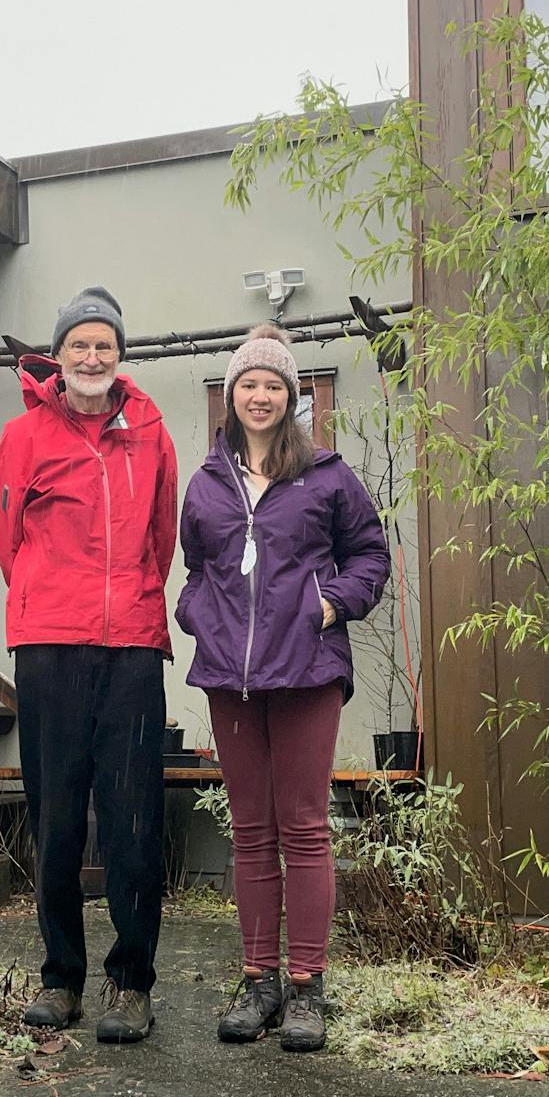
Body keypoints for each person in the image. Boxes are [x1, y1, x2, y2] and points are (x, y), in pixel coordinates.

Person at [176, 325, 389, 1052]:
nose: (260, 395)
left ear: (291, 397)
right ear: (231, 397)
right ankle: (259, 980)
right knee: (252, 832)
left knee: (303, 828)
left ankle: (306, 987)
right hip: (230, 681)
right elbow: (195, 567)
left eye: (273, 385)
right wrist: (197, 613)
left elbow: (370, 555)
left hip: (306, 671)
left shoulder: (327, 475)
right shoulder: (207, 483)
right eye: (249, 384)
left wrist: (331, 604)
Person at [0, 286, 179, 1043]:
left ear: (119, 355)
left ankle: (131, 982)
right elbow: (9, 540)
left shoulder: (152, 430)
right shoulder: (23, 434)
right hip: (50, 646)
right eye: (80, 345)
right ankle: (61, 977)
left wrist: (125, 599)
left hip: (132, 644)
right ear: (59, 355)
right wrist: (54, 600)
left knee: (135, 818)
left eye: (105, 345)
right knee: (57, 814)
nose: (93, 358)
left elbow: (161, 539)